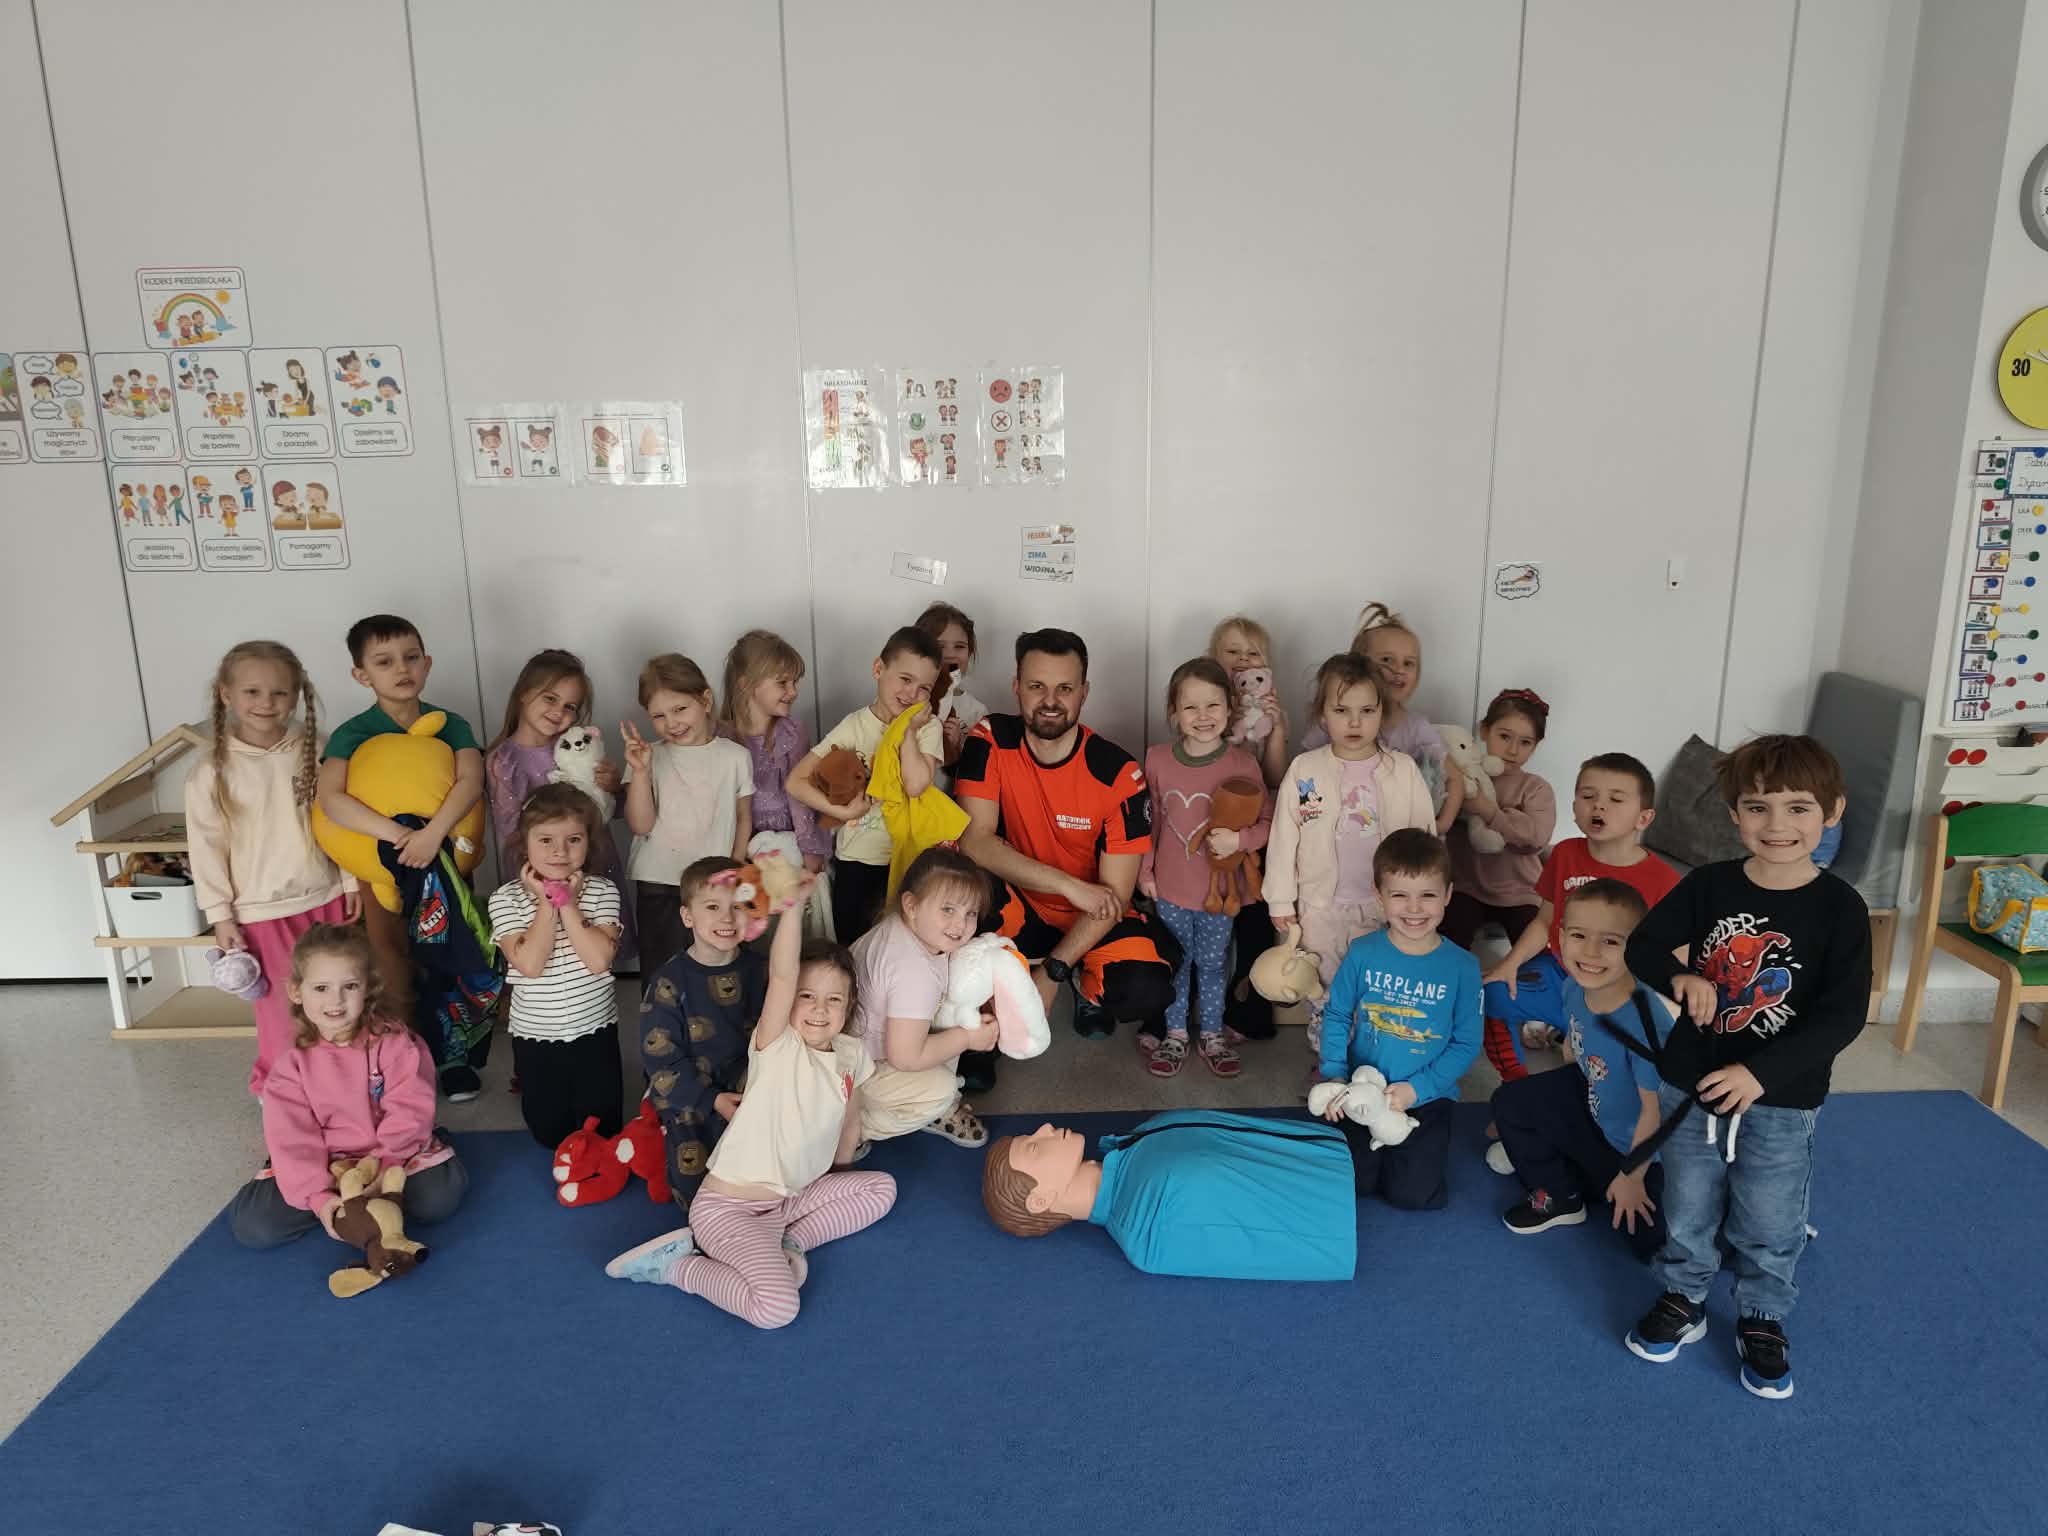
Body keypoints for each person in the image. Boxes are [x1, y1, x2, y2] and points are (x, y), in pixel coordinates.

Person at [1618, 734, 1869, 1400]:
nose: (1777, 825)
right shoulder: (1709, 885)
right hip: (1693, 1083)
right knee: (1688, 1201)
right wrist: (1678, 977)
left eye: (1798, 807)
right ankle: (1684, 1294)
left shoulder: (1841, 907)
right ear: (1735, 814)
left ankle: (1762, 1313)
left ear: (1832, 811)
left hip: (1781, 1098)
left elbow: (1843, 1016)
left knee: (1771, 1214)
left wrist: (1759, 1075)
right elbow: (1643, 946)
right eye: (1758, 807)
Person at [604, 899, 897, 1330]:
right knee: (776, 1310)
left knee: (881, 1189)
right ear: (790, 1000)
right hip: (729, 1211)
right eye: (807, 997)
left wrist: (839, 1174)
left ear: (849, 1004)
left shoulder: (851, 1053)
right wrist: (793, 906)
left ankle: (791, 1242)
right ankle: (675, 1267)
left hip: (788, 1200)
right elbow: (782, 975)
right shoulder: (778, 1045)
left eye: (834, 999)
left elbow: (849, 1116)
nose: (820, 1009)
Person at [953, 628, 1180, 1090]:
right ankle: (980, 1042)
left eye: (1065, 688)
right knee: (959, 894)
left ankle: (1081, 982)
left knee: (1146, 988)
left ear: (1084, 692)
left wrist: (1054, 971)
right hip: (1023, 904)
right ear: (1017, 687)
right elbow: (975, 841)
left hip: (1094, 914)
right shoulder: (989, 738)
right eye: (1037, 686)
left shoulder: (1119, 773)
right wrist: (1066, 884)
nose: (1050, 701)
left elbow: (1114, 896)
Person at [315, 613, 487, 1097]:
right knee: (390, 962)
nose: (402, 669)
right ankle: (403, 1058)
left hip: (445, 861)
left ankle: (454, 1057)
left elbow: (470, 780)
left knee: (452, 954)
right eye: (385, 661)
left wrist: (433, 835)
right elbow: (332, 799)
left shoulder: (450, 724)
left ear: (427, 664)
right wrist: (401, 837)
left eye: (411, 658)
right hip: (384, 871)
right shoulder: (353, 732)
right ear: (361, 675)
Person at [184, 640, 357, 1096]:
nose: (266, 703)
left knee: (339, 1000)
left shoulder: (318, 750)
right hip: (261, 912)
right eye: (252, 692)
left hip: (326, 900)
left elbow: (340, 821)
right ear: (226, 694)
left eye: (280, 692)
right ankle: (281, 1090)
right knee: (282, 1013)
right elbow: (206, 848)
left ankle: (339, 1085)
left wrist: (349, 880)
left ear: (297, 695)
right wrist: (219, 915)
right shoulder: (210, 772)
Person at [228, 924, 466, 1247]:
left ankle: (380, 1198)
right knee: (254, 1225)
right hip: (327, 1163)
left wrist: (385, 1169)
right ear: (296, 991)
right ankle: (352, 1207)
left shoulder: (396, 1043)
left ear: (368, 988)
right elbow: (292, 1137)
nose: (336, 1000)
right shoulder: (290, 1067)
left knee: (438, 1199)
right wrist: (321, 1199)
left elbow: (409, 1110)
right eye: (321, 988)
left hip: (392, 1155)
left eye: (350, 986)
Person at [1479, 752, 1678, 1124]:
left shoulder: (1664, 880)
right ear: (1574, 806)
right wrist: (1509, 964)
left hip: (1616, 992)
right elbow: (1545, 920)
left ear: (1644, 818)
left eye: (1615, 799)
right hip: (1560, 972)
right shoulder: (1566, 853)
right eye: (1588, 796)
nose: (1598, 806)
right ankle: (1518, 1090)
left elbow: (1673, 956)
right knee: (1490, 992)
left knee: (1606, 1071)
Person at [1266, 653, 1435, 1070]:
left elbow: (1425, 841)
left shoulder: (1403, 771)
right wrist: (1280, 900)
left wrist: (1423, 900)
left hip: (1385, 909)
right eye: (1341, 711)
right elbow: (1284, 837)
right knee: (1325, 991)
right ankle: (1330, 1066)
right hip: (1321, 907)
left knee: (1377, 992)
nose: (1354, 723)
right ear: (1322, 713)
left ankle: (1373, 1069)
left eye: (1367, 711)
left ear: (1382, 712)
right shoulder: (1305, 769)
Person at [1490, 880, 1669, 1260]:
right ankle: (1560, 1196)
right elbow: (1576, 1050)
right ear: (1560, 938)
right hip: (1600, 1111)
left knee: (1651, 1245)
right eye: (1578, 935)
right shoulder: (1574, 986)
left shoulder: (1645, 1023)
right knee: (1511, 1102)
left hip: (1651, 1147)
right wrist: (1554, 1111)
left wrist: (1632, 1177)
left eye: (1610, 941)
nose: (1590, 952)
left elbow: (1657, 1113)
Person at [1314, 828, 1482, 1209]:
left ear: (1448, 895)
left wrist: (1415, 1091)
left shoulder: (1464, 967)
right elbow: (1337, 1014)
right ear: (1379, 895)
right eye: (1400, 895)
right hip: (1363, 1087)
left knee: (1413, 1196)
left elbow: (1466, 1043)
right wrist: (1335, 1075)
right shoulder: (1362, 953)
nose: (1414, 909)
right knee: (1354, 1183)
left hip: (1427, 1097)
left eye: (1428, 895)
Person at [980, 1112, 1355, 1280]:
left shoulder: (1133, 1144)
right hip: (1337, 1189)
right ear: (1041, 1200)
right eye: (1034, 1147)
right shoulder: (1149, 1232)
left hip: (1335, 1147)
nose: (1045, 1127)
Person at [1138, 657, 1271, 1078]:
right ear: (1174, 712)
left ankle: (1212, 1033)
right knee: (1176, 965)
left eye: (1213, 705)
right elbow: (1149, 823)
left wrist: (1239, 841)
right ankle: (1175, 1034)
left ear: (1230, 708)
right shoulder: (1157, 759)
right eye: (1190, 707)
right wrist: (1145, 872)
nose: (1203, 716)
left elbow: (1267, 823)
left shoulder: (1242, 764)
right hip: (1170, 889)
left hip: (1220, 895)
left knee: (1213, 966)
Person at [787, 625, 944, 945]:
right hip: (856, 861)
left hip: (909, 861)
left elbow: (915, 784)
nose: (911, 694)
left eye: (924, 688)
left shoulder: (927, 728)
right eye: (905, 679)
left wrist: (908, 732)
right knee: (853, 950)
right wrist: (843, 812)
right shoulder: (854, 725)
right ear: (878, 669)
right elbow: (795, 782)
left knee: (903, 949)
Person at [487, 784, 623, 1147]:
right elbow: (530, 965)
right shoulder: (505, 899)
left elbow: (598, 960)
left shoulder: (602, 891)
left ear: (588, 843)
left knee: (603, 1131)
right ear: (525, 844)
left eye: (573, 839)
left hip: (594, 1030)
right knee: (549, 1134)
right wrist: (547, 902)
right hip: (536, 1036)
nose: (559, 851)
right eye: (545, 840)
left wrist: (567, 902)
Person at [848, 846, 999, 1148]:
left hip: (856, 1049)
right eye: (948, 909)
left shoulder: (902, 928)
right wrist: (968, 1038)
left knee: (957, 1006)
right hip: (858, 1071)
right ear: (911, 905)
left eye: (970, 913)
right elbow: (905, 1057)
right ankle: (852, 1128)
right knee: (941, 1088)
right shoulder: (913, 972)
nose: (960, 924)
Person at [484, 648, 631, 953]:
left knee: (599, 944)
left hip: (595, 863)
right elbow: (512, 832)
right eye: (550, 698)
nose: (559, 712)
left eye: (570, 706)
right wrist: (538, 884)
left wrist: (613, 787)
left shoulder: (576, 746)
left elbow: (613, 810)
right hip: (545, 872)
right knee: (556, 952)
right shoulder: (504, 760)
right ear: (524, 693)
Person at [640, 855, 766, 1211]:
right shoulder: (668, 981)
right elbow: (661, 1060)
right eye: (712, 907)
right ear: (688, 916)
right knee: (696, 1195)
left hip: (748, 1091)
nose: (727, 918)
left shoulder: (762, 970)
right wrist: (710, 1100)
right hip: (690, 1100)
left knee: (761, 1182)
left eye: (737, 906)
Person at [621, 652, 754, 976]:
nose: (672, 723)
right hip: (659, 882)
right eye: (659, 715)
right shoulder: (648, 757)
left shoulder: (735, 757)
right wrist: (640, 772)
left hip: (715, 885)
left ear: (705, 700)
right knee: (662, 973)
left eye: (680, 709)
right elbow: (640, 825)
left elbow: (743, 818)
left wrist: (734, 870)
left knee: (720, 968)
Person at [1300, 602, 1463, 834]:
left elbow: (1454, 778)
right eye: (1387, 660)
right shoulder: (1333, 718)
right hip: (1343, 827)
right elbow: (1304, 771)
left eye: (1408, 663)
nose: (1399, 670)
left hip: (1397, 831)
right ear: (1360, 666)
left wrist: (1442, 824)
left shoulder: (1417, 726)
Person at [1208, 614, 1288, 1042]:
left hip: (1257, 825)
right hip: (1212, 822)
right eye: (1232, 652)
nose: (1243, 660)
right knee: (1210, 919)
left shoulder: (1268, 712)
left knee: (1255, 918)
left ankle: (1249, 1009)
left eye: (1252, 653)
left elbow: (1275, 777)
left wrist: (1276, 729)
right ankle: (1199, 1005)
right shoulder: (1205, 704)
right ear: (1214, 659)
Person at [1443, 688, 1557, 951]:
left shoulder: (1536, 788)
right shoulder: (1463, 777)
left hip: (1521, 893)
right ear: (1484, 731)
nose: (1513, 750)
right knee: (1448, 945)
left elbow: (1535, 839)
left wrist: (1489, 812)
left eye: (1525, 742)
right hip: (1465, 888)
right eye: (1504, 736)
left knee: (1538, 951)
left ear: (1536, 745)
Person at [716, 629, 833, 879]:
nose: (793, 691)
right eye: (782, 683)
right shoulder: (720, 737)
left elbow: (800, 798)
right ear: (746, 684)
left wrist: (810, 853)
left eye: (795, 682)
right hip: (739, 852)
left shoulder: (792, 733)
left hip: (789, 849)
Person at [914, 601, 991, 782]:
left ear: (970, 653)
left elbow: (980, 770)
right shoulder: (906, 698)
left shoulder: (977, 711)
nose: (950, 654)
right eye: (940, 646)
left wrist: (958, 746)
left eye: (960, 646)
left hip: (952, 794)